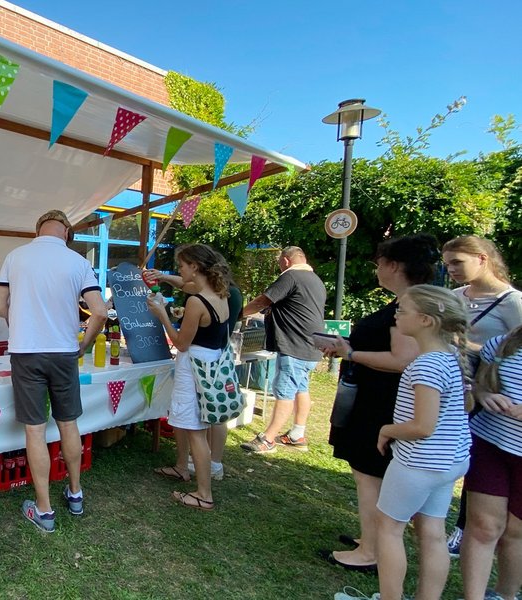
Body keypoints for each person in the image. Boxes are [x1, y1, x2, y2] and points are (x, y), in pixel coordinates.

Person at [337, 285, 471, 600]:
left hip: (418, 463)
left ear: (425, 320)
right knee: (433, 534)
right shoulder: (448, 356)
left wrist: (387, 430)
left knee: (388, 529)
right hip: (448, 462)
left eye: (403, 310)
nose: (396, 315)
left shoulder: (427, 365)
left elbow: (423, 426)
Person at [322, 234, 439, 571]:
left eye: (379, 263)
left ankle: (371, 551)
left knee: (369, 474)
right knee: (370, 473)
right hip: (379, 397)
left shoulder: (411, 304)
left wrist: (352, 353)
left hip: (381, 402)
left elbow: (403, 359)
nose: (376, 270)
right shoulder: (410, 301)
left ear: (394, 266)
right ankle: (369, 537)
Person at [0, 209, 106, 532]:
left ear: (37, 230)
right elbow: (99, 311)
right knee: (69, 425)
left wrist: (19, 323)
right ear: (66, 232)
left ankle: (44, 510)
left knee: (35, 431)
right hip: (65, 352)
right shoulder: (78, 262)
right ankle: (75, 494)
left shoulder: (16, 256)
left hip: (27, 353)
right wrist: (83, 345)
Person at [441, 235, 522, 556]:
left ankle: (463, 529)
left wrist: (467, 347)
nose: (451, 270)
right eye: (447, 264)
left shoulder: (512, 302)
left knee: (477, 464)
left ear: (483, 258)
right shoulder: (455, 295)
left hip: (490, 400)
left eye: (457, 262)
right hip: (452, 388)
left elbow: (515, 350)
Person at [145, 244, 231, 510]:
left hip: (193, 366)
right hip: (211, 365)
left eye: (182, 265)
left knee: (195, 431)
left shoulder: (196, 302)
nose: (180, 270)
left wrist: (163, 315)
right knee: (193, 425)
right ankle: (183, 468)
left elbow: (181, 343)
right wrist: (163, 276)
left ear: (194, 266)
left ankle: (203, 494)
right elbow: (185, 285)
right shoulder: (218, 292)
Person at [239, 246, 326, 454]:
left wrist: (238, 314)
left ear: (286, 261)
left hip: (294, 345)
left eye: (279, 263)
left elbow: (263, 301)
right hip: (311, 346)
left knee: (285, 392)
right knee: (301, 389)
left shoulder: (292, 276)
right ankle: (297, 434)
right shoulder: (316, 280)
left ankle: (268, 440)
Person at [459, 326, 522, 600]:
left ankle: (506, 595)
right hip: (490, 444)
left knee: (515, 532)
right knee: (483, 526)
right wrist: (483, 395)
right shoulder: (503, 343)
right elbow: (479, 382)